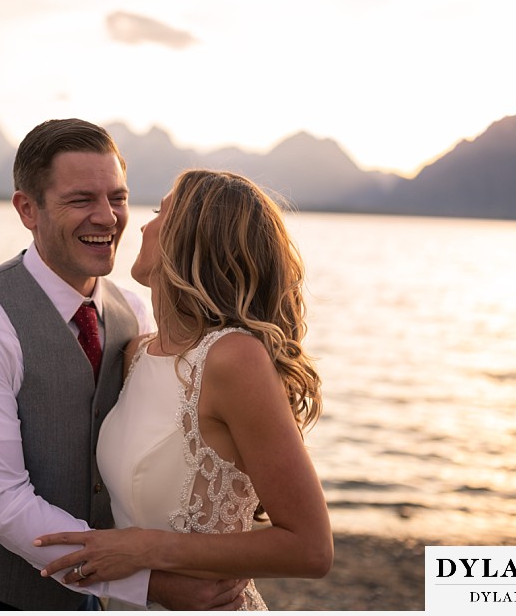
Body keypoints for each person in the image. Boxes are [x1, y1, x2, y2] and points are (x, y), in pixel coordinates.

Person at [0, 120, 248, 611]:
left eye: (118, 197)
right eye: (81, 199)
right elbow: (1, 503)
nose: (107, 218)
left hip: (89, 598)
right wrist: (150, 585)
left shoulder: (133, 312)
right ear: (28, 209)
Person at [34, 169, 335, 610]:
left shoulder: (233, 359)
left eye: (161, 212)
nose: (139, 224)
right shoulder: (135, 354)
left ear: (193, 238)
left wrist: (144, 549)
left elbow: (311, 549)